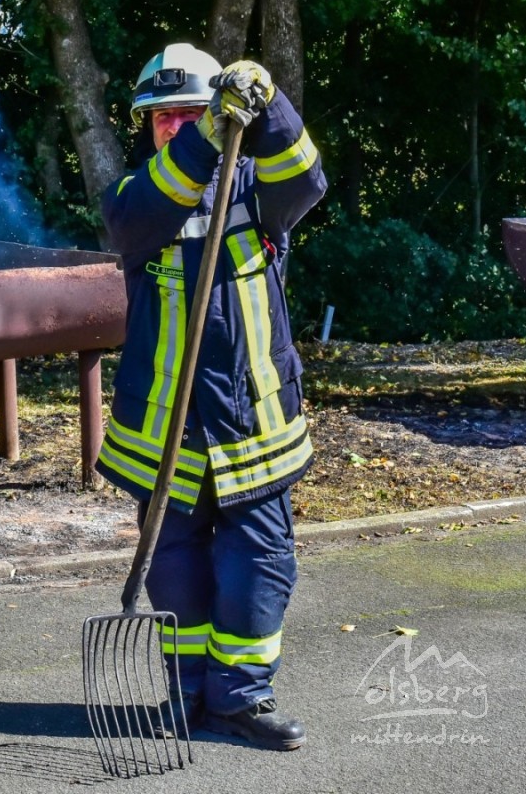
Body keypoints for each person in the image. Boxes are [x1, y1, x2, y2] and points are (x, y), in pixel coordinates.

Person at [96, 42, 327, 751]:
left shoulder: (260, 188)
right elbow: (140, 217)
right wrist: (203, 136)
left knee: (258, 560)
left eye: (190, 111)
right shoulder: (134, 195)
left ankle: (241, 700)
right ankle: (187, 694)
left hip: (253, 418)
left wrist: (271, 107)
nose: (174, 125)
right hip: (164, 426)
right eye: (161, 117)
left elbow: (308, 179)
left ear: (223, 114)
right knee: (175, 564)